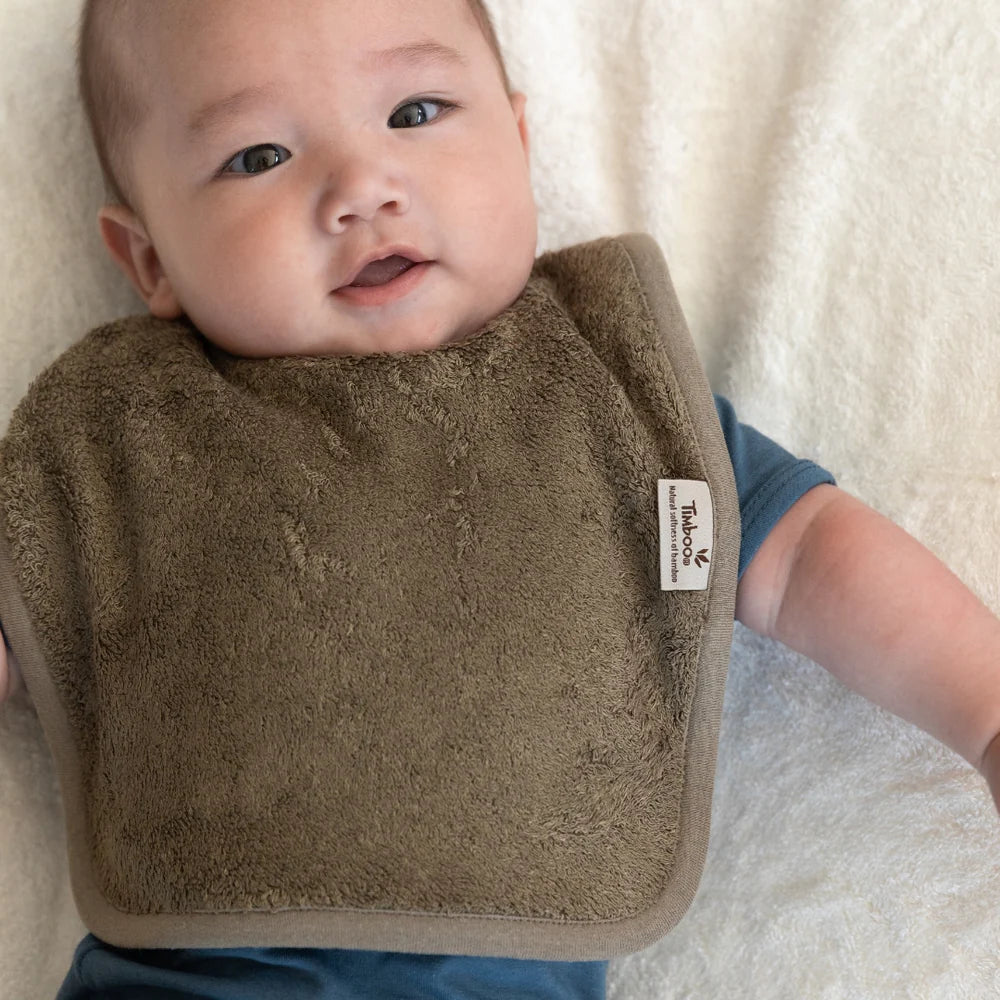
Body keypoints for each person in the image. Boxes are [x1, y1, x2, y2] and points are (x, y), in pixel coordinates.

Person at [1, 0, 998, 997]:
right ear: (150, 259)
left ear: (518, 144)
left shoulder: (602, 390)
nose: (362, 188)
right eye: (259, 156)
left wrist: (987, 711)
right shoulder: (125, 438)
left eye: (415, 111)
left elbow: (806, 552)